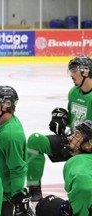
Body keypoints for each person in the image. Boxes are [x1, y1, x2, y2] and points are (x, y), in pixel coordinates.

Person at [26, 55, 92, 203]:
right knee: (35, 141)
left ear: (86, 72)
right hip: (74, 139)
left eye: (74, 70)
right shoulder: (74, 92)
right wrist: (61, 118)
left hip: (88, 147)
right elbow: (74, 120)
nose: (71, 75)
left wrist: (79, 147)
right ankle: (33, 190)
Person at [0, 85, 31, 216]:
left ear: (6, 105)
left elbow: (17, 169)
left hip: (2, 195)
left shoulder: (10, 135)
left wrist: (17, 195)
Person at [35, 120, 92, 216]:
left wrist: (76, 212)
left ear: (89, 145)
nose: (70, 138)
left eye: (77, 136)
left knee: (46, 205)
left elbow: (84, 187)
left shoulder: (77, 161)